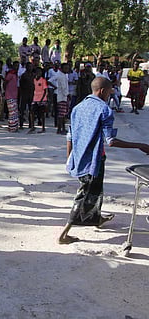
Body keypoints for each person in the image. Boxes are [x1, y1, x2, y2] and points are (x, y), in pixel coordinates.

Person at [59, 77, 149, 244]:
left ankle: (96, 218)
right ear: (102, 91)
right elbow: (111, 141)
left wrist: (70, 157)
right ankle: (64, 234)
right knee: (85, 194)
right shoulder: (104, 110)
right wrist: (140, 145)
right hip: (94, 160)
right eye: (109, 92)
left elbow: (70, 135)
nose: (110, 95)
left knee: (95, 190)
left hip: (79, 157)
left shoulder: (78, 107)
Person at [31, 67, 48, 133]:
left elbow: (45, 91)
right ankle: (32, 126)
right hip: (35, 98)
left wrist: (42, 99)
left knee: (42, 113)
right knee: (32, 112)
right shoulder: (34, 80)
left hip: (42, 99)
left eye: (40, 72)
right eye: (37, 72)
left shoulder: (43, 80)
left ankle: (43, 128)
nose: (38, 73)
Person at [18, 62, 35, 129]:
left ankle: (31, 124)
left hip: (32, 94)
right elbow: (21, 84)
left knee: (31, 110)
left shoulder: (34, 75)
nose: (30, 68)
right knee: (22, 109)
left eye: (31, 67)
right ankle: (21, 124)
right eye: (29, 67)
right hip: (24, 94)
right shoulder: (23, 75)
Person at [55, 63, 70, 134]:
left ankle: (62, 128)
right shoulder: (61, 76)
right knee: (61, 114)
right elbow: (64, 88)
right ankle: (59, 129)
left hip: (63, 97)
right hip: (62, 97)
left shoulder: (64, 75)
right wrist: (67, 95)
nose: (67, 69)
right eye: (65, 68)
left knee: (63, 114)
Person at [5, 61, 19, 132]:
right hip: (9, 95)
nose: (17, 67)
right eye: (16, 66)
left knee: (15, 112)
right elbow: (5, 82)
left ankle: (15, 126)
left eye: (18, 66)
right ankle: (11, 127)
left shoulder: (16, 74)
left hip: (14, 95)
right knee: (12, 112)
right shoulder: (10, 74)